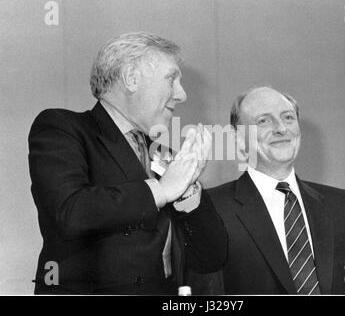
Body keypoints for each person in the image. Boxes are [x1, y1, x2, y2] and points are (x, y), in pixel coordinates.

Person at [28, 32, 227, 295]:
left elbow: (212, 258)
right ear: (131, 78)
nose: (182, 94)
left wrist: (189, 194)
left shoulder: (165, 157)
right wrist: (162, 191)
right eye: (172, 79)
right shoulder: (62, 128)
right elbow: (70, 211)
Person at [208, 86, 345, 295]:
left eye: (288, 117)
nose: (281, 128)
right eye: (264, 120)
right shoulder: (212, 208)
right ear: (238, 138)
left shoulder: (343, 206)